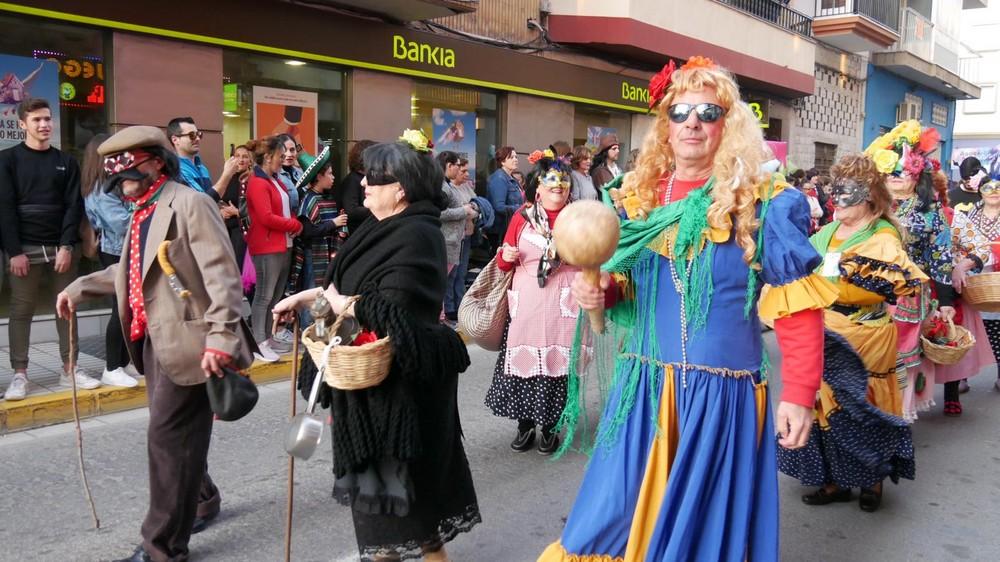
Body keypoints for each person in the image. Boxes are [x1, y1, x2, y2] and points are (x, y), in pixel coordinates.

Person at [538, 56, 830, 562]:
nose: (692, 122)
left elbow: (798, 307)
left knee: (702, 532)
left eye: (708, 112)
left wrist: (800, 393)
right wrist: (602, 294)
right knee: (607, 516)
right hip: (645, 388)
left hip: (723, 395)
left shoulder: (763, 202)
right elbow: (626, 293)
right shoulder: (635, 200)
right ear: (665, 126)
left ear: (728, 125)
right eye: (680, 112)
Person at [272, 130, 480, 562]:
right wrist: (303, 298)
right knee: (392, 512)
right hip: (372, 395)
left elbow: (390, 308)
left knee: (403, 512)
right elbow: (346, 291)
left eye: (373, 179)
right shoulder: (380, 228)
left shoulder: (418, 234)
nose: (362, 184)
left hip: (402, 396)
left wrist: (327, 301)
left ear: (400, 189)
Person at [56, 126, 253, 562]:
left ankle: (162, 547)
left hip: (192, 344)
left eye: (129, 176)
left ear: (156, 165)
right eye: (118, 180)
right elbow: (129, 272)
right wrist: (80, 287)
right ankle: (202, 499)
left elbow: (224, 278)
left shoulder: (191, 204)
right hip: (153, 343)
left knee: (167, 443)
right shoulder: (141, 212)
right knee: (180, 438)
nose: (123, 187)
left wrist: (221, 338)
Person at [777, 153, 925, 512]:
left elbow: (879, 281)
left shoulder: (882, 233)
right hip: (823, 331)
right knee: (822, 407)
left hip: (866, 335)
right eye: (835, 191)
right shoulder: (827, 231)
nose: (837, 201)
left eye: (847, 193)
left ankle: (871, 480)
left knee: (862, 407)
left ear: (869, 195)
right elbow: (802, 268)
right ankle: (833, 481)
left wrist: (833, 279)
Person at [0, 97, 97, 400]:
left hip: (61, 247)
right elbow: (4, 208)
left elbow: (73, 206)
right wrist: (13, 250)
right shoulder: (7, 159)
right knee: (21, 309)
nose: (44, 125)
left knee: (67, 308)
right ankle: (19, 374)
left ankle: (70, 369)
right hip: (22, 247)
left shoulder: (66, 161)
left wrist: (68, 246)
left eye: (47, 119)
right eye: (36, 120)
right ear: (22, 124)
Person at [484, 150, 580, 454]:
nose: (559, 187)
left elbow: (594, 255)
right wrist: (505, 256)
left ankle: (551, 428)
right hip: (527, 304)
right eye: (552, 182)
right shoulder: (522, 217)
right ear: (537, 188)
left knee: (558, 370)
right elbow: (503, 262)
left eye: (563, 183)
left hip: (564, 305)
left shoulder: (579, 216)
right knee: (524, 369)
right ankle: (525, 426)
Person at [866, 120, 957, 421]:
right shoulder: (870, 206)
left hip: (907, 295)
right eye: (892, 172)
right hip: (865, 290)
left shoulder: (931, 213)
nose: (897, 178)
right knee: (867, 353)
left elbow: (941, 255)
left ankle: (897, 416)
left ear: (918, 176)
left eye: (904, 172)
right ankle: (869, 412)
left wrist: (945, 301)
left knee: (901, 358)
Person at [81, 133, 139, 388]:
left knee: (129, 308)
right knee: (121, 310)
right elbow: (121, 223)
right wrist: (143, 211)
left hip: (124, 249)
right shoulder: (100, 189)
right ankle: (112, 367)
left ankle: (124, 363)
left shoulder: (113, 184)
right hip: (116, 251)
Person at [245, 136, 303, 362]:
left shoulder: (273, 180)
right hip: (267, 245)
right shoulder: (258, 182)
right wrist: (295, 224)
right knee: (264, 296)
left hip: (281, 243)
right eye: (280, 156)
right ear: (268, 158)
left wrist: (293, 223)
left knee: (275, 295)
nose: (283, 159)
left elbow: (282, 210)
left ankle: (267, 337)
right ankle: (259, 341)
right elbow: (266, 217)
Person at [953, 174, 1000, 394]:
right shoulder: (970, 215)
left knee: (998, 328)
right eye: (988, 187)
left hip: (997, 279)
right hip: (975, 277)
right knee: (967, 327)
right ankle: (961, 375)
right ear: (980, 190)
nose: (993, 191)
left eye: (998, 187)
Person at [286, 144, 345, 302]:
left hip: (328, 255)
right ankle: (308, 326)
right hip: (313, 254)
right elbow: (308, 231)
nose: (333, 178)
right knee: (313, 295)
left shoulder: (328, 197)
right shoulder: (309, 199)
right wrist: (334, 223)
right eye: (330, 174)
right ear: (318, 176)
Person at [438, 150, 477, 325]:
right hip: (446, 239)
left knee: (449, 278)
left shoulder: (447, 185)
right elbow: (439, 212)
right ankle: (441, 317)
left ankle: (443, 316)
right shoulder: (441, 185)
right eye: (457, 166)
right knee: (443, 281)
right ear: (449, 166)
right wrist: (464, 210)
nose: (459, 170)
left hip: (453, 238)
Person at [219, 143, 252, 271]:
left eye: (245, 156)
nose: (241, 160)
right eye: (237, 156)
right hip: (227, 230)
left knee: (238, 269)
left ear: (250, 161)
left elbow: (256, 210)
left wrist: (237, 212)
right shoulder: (228, 178)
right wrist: (222, 210)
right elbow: (220, 199)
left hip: (242, 232)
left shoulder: (251, 180)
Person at [335, 139, 376, 234]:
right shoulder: (352, 180)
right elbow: (352, 210)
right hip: (356, 232)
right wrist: (377, 208)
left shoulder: (362, 177)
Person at [486, 146, 523, 252]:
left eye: (516, 157)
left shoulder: (512, 178)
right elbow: (499, 207)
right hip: (501, 229)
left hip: (510, 226)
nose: (515, 159)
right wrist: (521, 209)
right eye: (511, 157)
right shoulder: (499, 178)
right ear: (502, 161)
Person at [275, 133, 301, 213]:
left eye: (292, 150)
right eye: (285, 150)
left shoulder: (300, 172)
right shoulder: (273, 175)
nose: (289, 154)